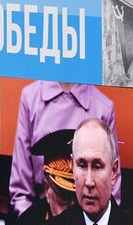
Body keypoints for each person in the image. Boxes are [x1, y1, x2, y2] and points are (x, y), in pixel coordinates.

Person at [9, 82, 118, 216]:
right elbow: (21, 193)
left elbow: (111, 193)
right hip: (41, 220)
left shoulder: (103, 107)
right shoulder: (31, 98)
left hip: (87, 224)